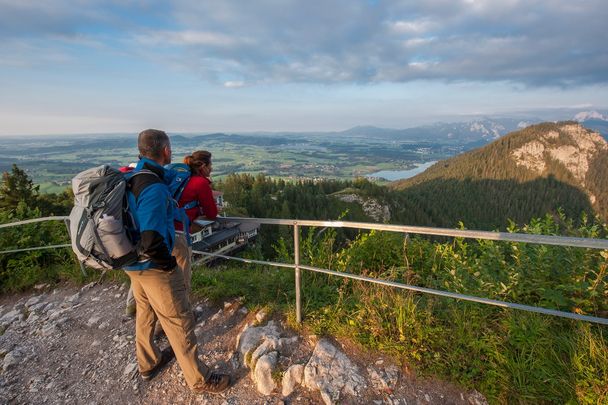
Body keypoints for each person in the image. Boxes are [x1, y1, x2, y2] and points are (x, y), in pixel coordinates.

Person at [123, 129, 230, 393]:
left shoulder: (132, 175)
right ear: (166, 151)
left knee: (145, 311)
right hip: (152, 265)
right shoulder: (154, 187)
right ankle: (199, 379)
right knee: (178, 320)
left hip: (132, 262)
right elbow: (151, 238)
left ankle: (148, 362)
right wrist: (168, 266)